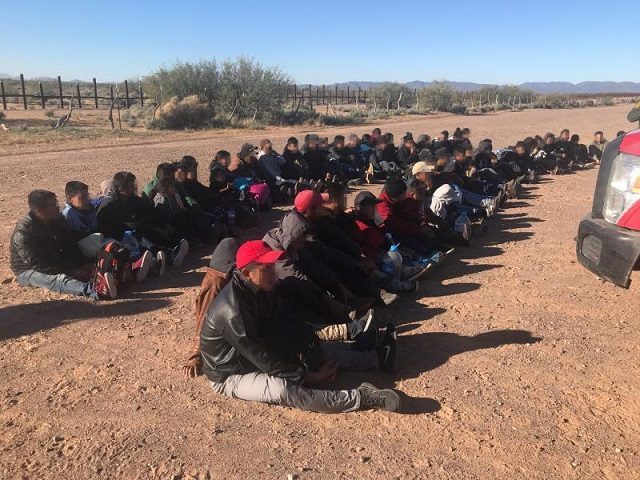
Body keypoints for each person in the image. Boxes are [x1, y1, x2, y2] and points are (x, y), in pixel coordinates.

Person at [200, 240, 401, 413]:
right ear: (247, 273)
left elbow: (289, 324)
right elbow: (263, 358)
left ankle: (376, 355)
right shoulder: (233, 312)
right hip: (231, 372)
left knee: (314, 348)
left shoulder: (263, 288)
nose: (274, 272)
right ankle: (362, 398)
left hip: (256, 348)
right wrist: (308, 376)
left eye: (273, 265)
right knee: (283, 389)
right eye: (267, 268)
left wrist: (311, 352)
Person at [11, 190, 117, 300]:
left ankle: (116, 277)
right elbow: (37, 264)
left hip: (55, 260)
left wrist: (81, 264)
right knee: (59, 279)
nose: (58, 207)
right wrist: (69, 270)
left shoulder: (58, 219)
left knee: (89, 266)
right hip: (28, 270)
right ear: (39, 211)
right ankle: (97, 291)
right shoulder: (24, 231)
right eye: (52, 205)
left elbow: (69, 246)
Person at [97, 171, 189, 270]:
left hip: (134, 233)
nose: (134, 187)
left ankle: (168, 252)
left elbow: (149, 213)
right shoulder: (110, 205)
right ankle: (165, 257)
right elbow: (116, 226)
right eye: (131, 185)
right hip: (118, 237)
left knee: (148, 229)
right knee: (138, 231)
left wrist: (163, 225)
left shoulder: (133, 200)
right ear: (121, 189)